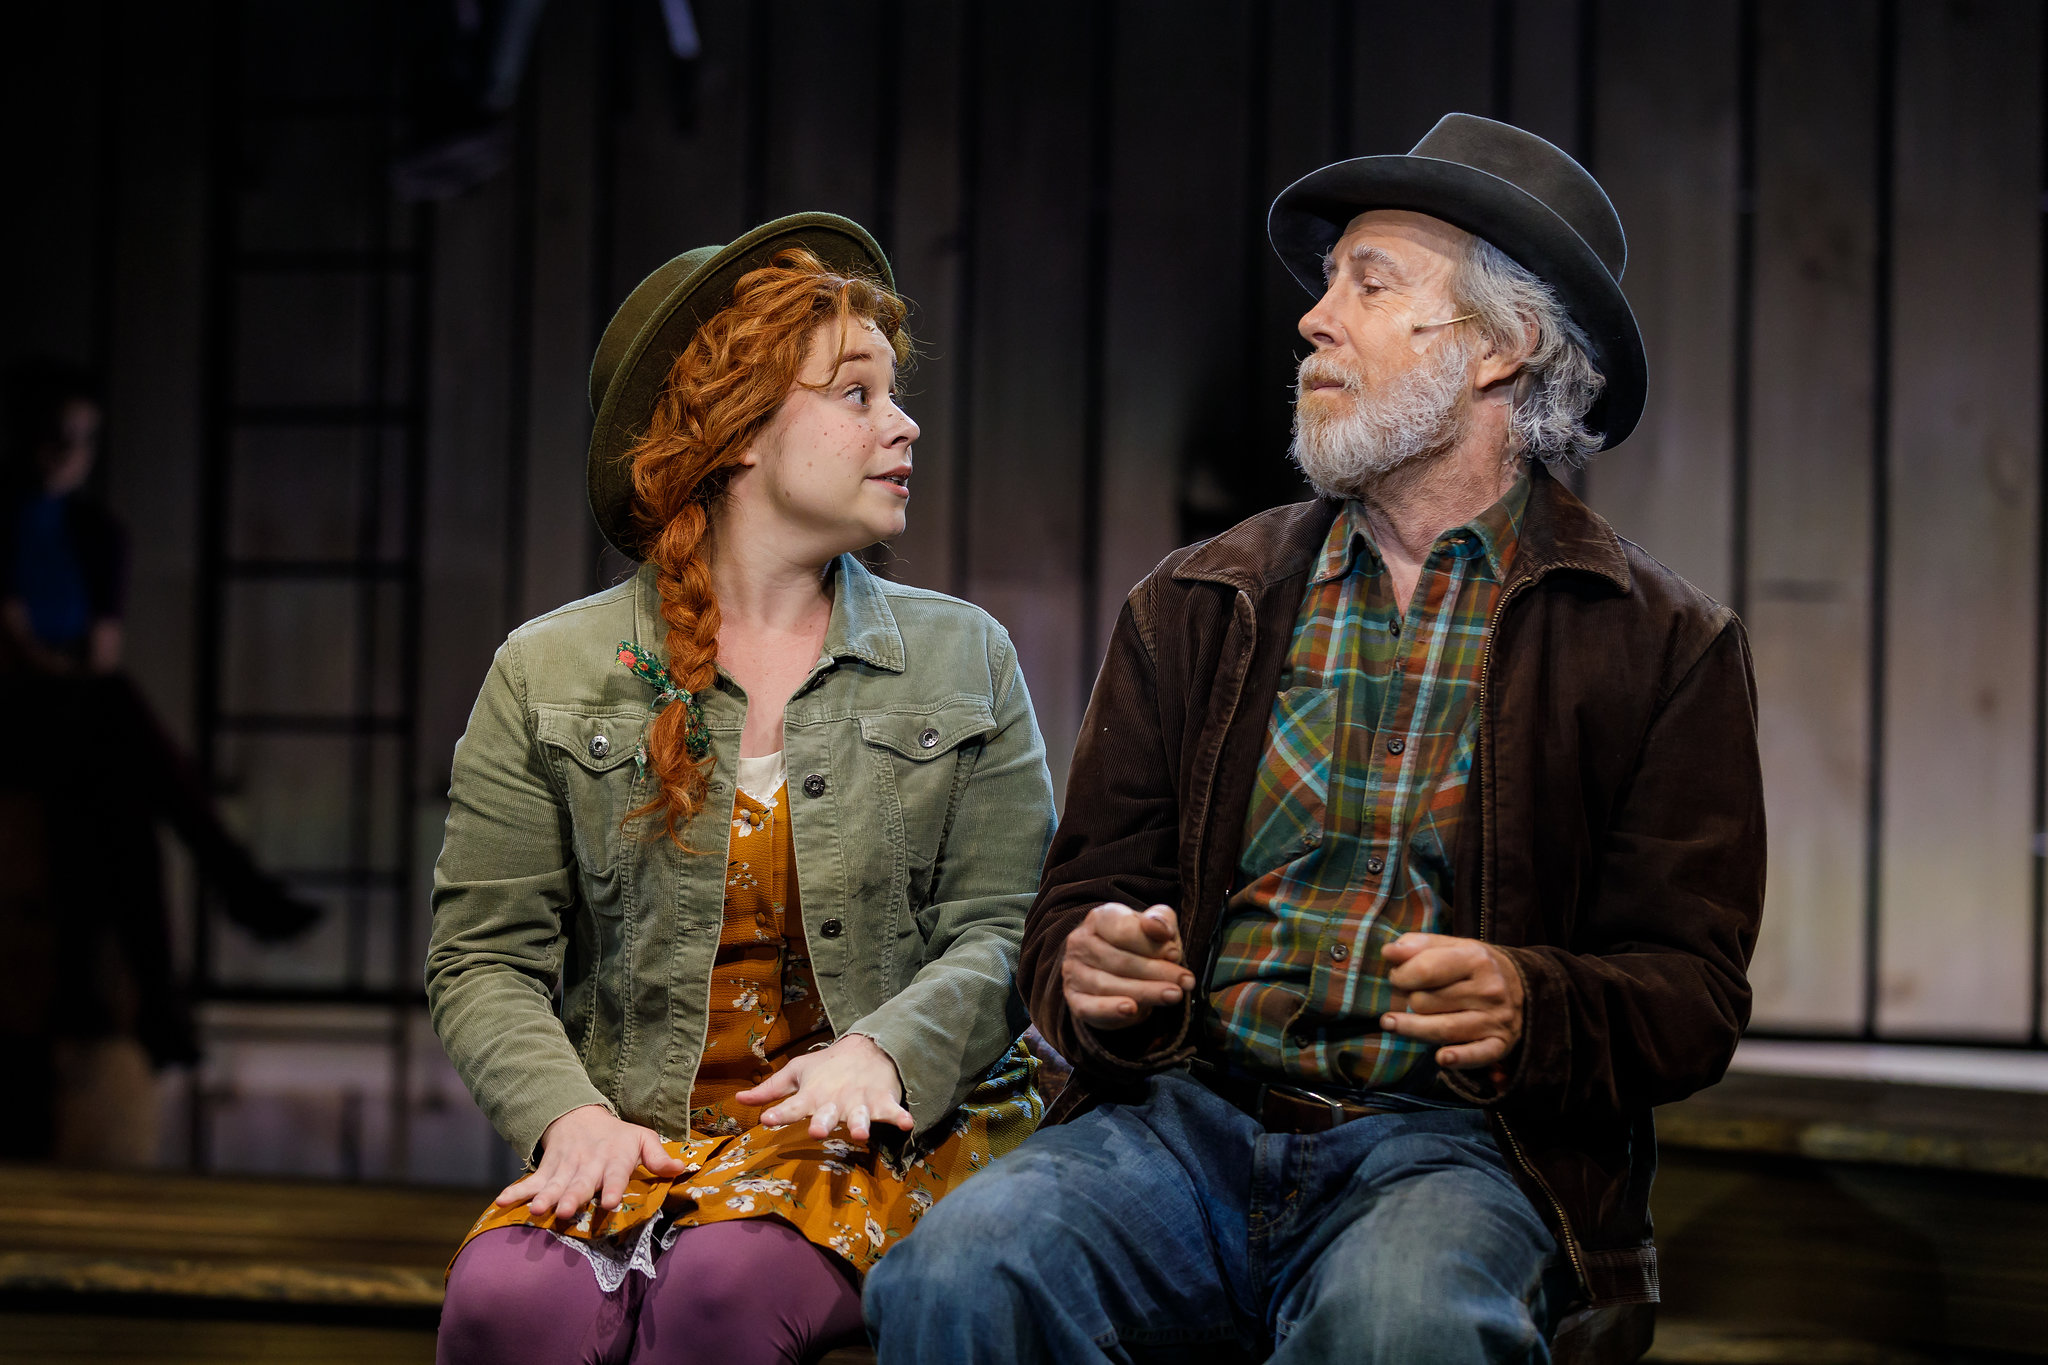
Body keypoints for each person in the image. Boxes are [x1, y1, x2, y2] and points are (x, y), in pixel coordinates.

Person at [866, 114, 1766, 1365]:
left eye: (1369, 285)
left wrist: (1534, 1002)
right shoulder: (1199, 599)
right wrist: (1091, 966)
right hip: (1183, 1118)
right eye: (1326, 281)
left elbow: (1691, 994)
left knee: (1397, 1326)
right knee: (956, 1272)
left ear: (1501, 348)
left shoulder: (1656, 642)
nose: (1311, 318)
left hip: (1459, 1145)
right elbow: (1077, 904)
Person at [429, 213, 1057, 1365]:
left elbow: (1008, 926)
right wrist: (569, 1118)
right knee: (506, 1303)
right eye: (855, 394)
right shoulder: (547, 671)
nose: (903, 423)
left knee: (720, 1290)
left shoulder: (961, 658)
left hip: (889, 1136)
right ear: (737, 433)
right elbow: (484, 959)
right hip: (646, 1137)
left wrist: (884, 1050)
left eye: (893, 393)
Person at [0, 358, 315, 1166]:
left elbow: (101, 647)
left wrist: (70, 677)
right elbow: (12, 643)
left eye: (82, 440)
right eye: (55, 435)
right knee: (113, 723)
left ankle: (160, 988)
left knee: (117, 793)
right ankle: (226, 899)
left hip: (73, 713)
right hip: (14, 707)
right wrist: (62, 675)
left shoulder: (98, 533)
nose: (66, 453)